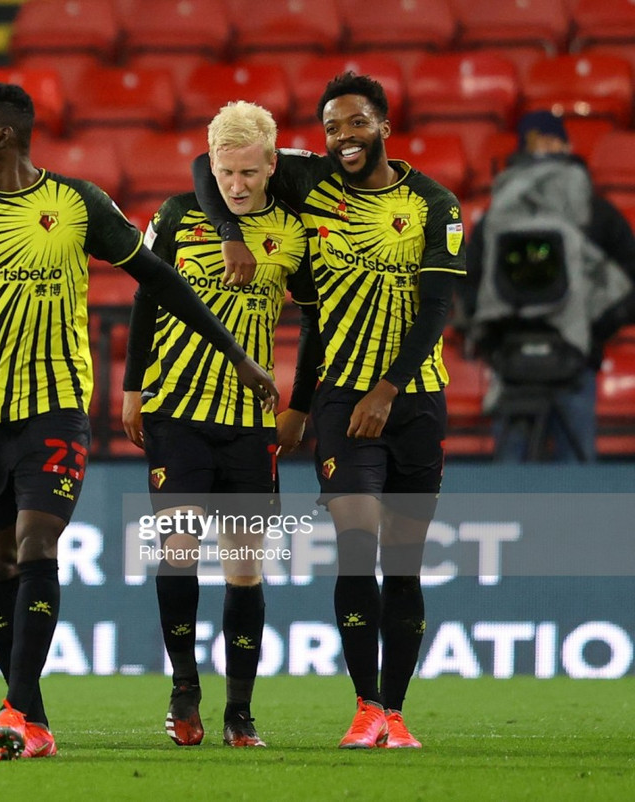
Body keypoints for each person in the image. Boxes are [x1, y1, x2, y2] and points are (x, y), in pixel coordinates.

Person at [0, 82, 279, 760]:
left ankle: (12, 709)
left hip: (54, 412)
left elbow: (160, 279)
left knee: (37, 549)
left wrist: (236, 354)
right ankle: (31, 715)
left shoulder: (77, 203)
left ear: (3, 136)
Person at [194, 72, 466, 749]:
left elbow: (436, 307)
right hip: (343, 401)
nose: (343, 138)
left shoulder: (435, 203)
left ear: (384, 127)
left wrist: (391, 389)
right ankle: (366, 705)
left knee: (403, 560)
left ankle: (396, 714)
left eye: (356, 124)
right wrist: (230, 233)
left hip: (414, 400)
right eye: (333, 128)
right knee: (354, 544)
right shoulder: (310, 183)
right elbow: (207, 164)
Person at [122, 101, 321, 748]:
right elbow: (146, 301)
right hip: (175, 411)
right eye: (224, 171)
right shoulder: (177, 217)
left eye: (248, 172)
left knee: (244, 568)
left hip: (247, 423)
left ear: (271, 166)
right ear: (211, 165)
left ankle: (240, 712)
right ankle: (184, 690)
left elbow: (315, 322)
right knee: (178, 554)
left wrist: (300, 404)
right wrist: (130, 388)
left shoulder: (293, 232)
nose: (236, 184)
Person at [462, 110, 635, 462]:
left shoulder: (495, 216)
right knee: (575, 476)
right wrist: (592, 329)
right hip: (570, 357)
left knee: (510, 481)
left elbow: (470, 284)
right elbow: (627, 283)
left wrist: (492, 338)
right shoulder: (594, 210)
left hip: (516, 360)